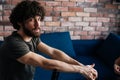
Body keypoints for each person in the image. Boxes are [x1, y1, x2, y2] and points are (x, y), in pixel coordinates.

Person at [0, 1, 98, 80]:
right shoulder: (13, 43)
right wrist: (81, 70)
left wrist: (84, 67)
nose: (38, 25)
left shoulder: (33, 37)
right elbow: (45, 63)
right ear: (20, 22)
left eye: (38, 19)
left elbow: (53, 52)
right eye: (31, 20)